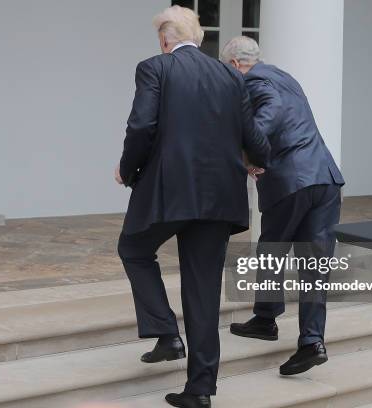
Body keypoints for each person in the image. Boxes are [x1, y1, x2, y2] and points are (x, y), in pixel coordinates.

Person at [116, 8, 270, 408]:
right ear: (198, 39)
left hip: (170, 190)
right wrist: (258, 159)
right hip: (221, 196)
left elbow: (141, 127)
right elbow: (254, 138)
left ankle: (167, 332)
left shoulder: (155, 68)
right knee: (203, 292)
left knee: (133, 248)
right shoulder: (232, 76)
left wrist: (128, 170)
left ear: (166, 38)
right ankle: (200, 389)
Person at [220, 36, 345, 376]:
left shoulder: (255, 81)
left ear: (234, 66)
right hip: (325, 177)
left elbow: (269, 114)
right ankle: (311, 342)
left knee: (272, 248)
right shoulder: (285, 76)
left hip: (292, 181)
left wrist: (250, 156)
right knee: (314, 265)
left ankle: (266, 320)